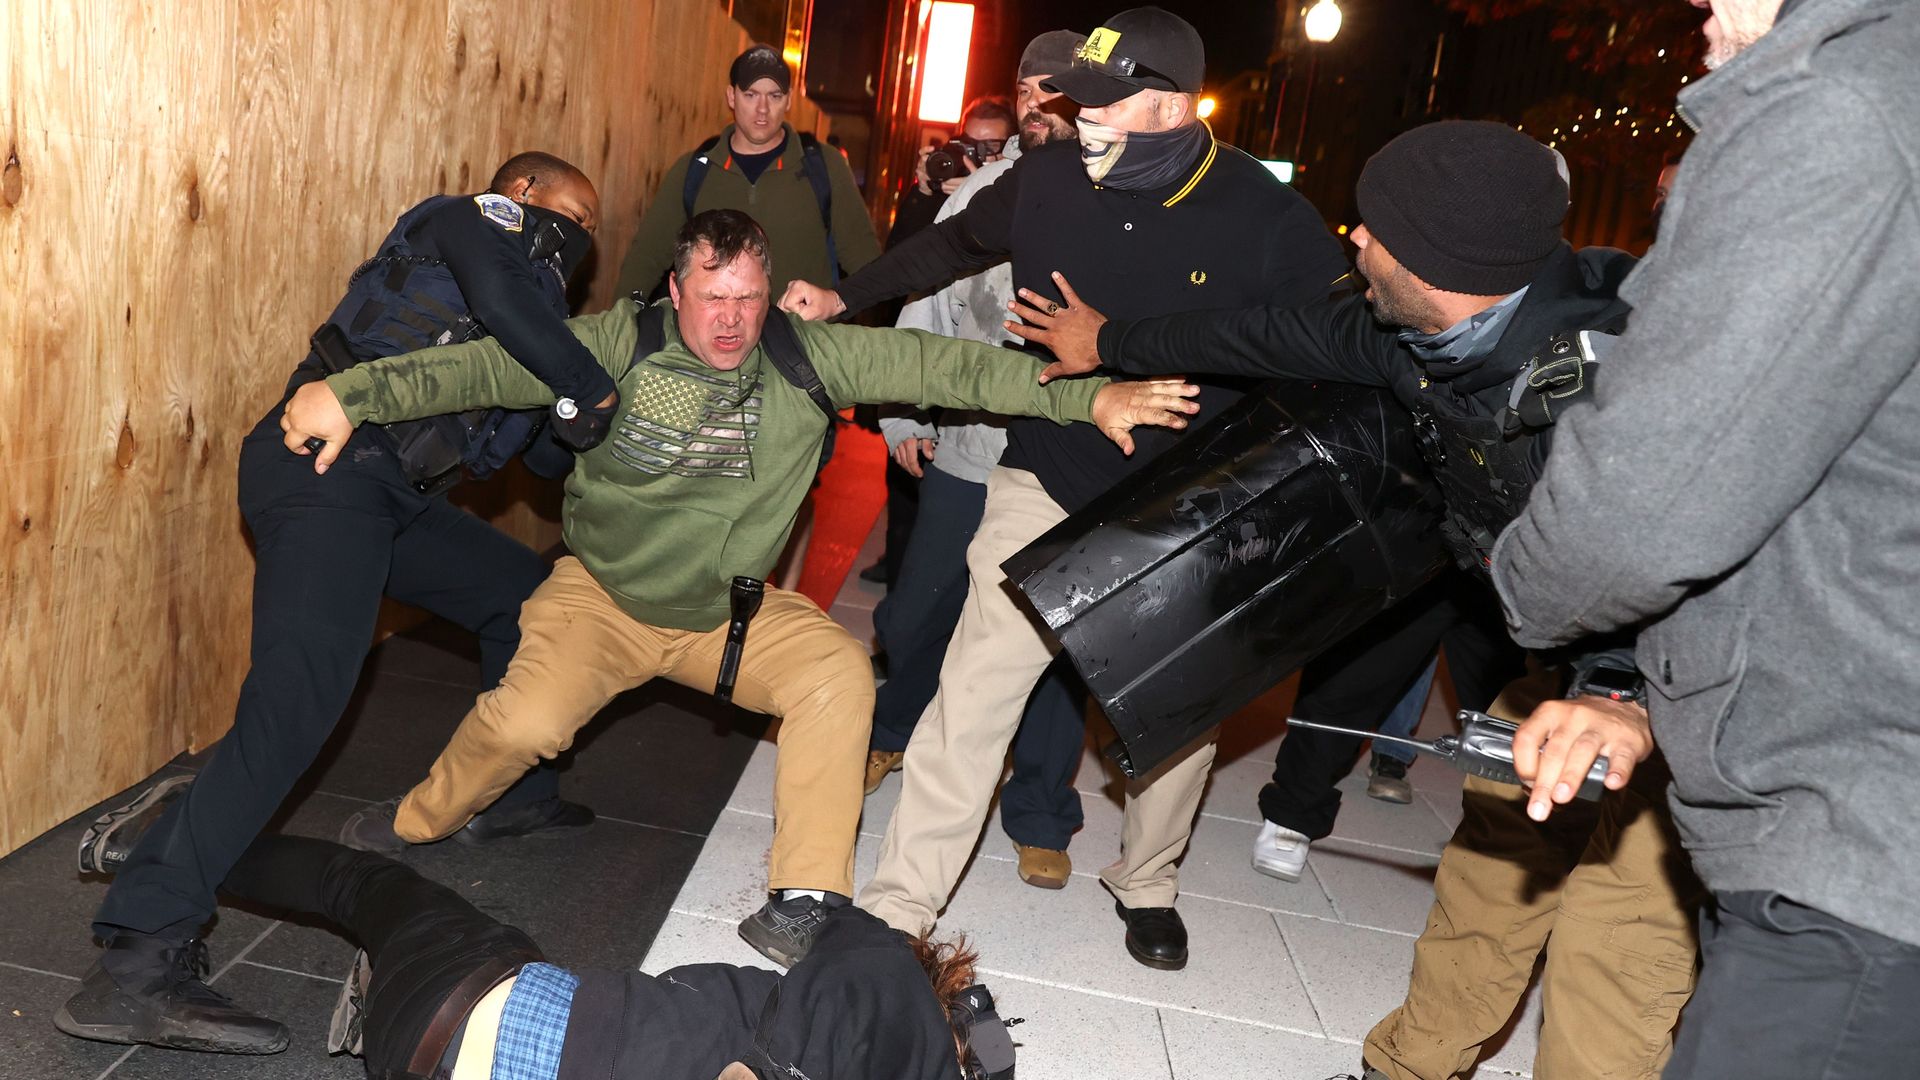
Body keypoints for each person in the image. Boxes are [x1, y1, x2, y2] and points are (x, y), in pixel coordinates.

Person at [289, 209, 1200, 970]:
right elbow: (478, 368)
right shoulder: (613, 345)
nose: (731, 321)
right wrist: (353, 393)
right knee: (523, 726)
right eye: (713, 298)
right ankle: (418, 819)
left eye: (750, 300)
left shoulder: (808, 358)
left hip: (728, 617)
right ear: (677, 291)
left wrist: (1090, 400)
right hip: (601, 601)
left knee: (840, 675)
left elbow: (953, 370)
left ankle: (805, 895)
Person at [1018, 120, 1705, 1079]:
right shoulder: (1416, 331)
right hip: (1557, 651)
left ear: (1439, 261)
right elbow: (1256, 335)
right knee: (1489, 877)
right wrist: (1113, 340)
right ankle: (1409, 1068)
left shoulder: (1627, 374)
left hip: (1686, 684)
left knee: (1615, 944)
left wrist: (1616, 689)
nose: (1354, 239)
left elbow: (1675, 553)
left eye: (1375, 228)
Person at [782, 6, 1349, 970]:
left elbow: (1322, 345)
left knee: (1174, 714)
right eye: (1071, 95)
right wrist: (849, 293)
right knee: (974, 687)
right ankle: (897, 905)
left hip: (1186, 500)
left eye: (1101, 101)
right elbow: (953, 248)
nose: (1073, 116)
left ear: (1169, 107)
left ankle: (1148, 880)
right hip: (1048, 465)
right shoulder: (1044, 175)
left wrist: (1124, 342)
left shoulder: (1263, 217)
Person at [56, 152, 614, 1056]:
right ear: (524, 195)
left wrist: (574, 412)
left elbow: (543, 460)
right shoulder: (465, 223)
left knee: (527, 595)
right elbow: (510, 308)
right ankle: (136, 959)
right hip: (324, 467)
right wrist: (587, 384)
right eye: (575, 213)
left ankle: (512, 794)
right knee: (298, 702)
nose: (584, 235)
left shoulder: (542, 323)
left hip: (392, 497)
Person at [1489, 0, 1920, 1074]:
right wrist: (1635, 693)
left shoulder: (1839, 104)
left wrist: (1529, 585)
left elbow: (1656, 492)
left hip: (1865, 844)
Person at [77, 792, 1008, 1080]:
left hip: (469, 997)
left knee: (363, 881)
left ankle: (162, 847)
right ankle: (380, 999)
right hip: (424, 1060)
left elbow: (856, 934)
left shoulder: (892, 995)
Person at [869, 30, 1091, 892]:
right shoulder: (986, 193)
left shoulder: (1122, 200)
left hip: (1064, 466)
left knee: (1053, 638)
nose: (1040, 104)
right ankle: (891, 735)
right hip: (970, 443)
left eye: (1058, 90)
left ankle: (1039, 811)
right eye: (1030, 90)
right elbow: (924, 295)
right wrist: (899, 413)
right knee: (919, 612)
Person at [613, 44, 880, 301]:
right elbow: (646, 258)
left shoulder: (825, 166)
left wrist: (844, 314)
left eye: (774, 96)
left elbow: (867, 264)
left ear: (788, 100)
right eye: (751, 94)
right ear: (731, 96)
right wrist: (619, 329)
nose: (762, 109)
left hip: (805, 341)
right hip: (713, 342)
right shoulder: (694, 171)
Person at [886, 96, 1018, 247]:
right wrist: (923, 193)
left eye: (988, 147)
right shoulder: (945, 186)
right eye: (969, 144)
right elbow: (898, 256)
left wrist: (977, 194)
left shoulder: (1018, 194)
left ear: (1011, 149)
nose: (976, 154)